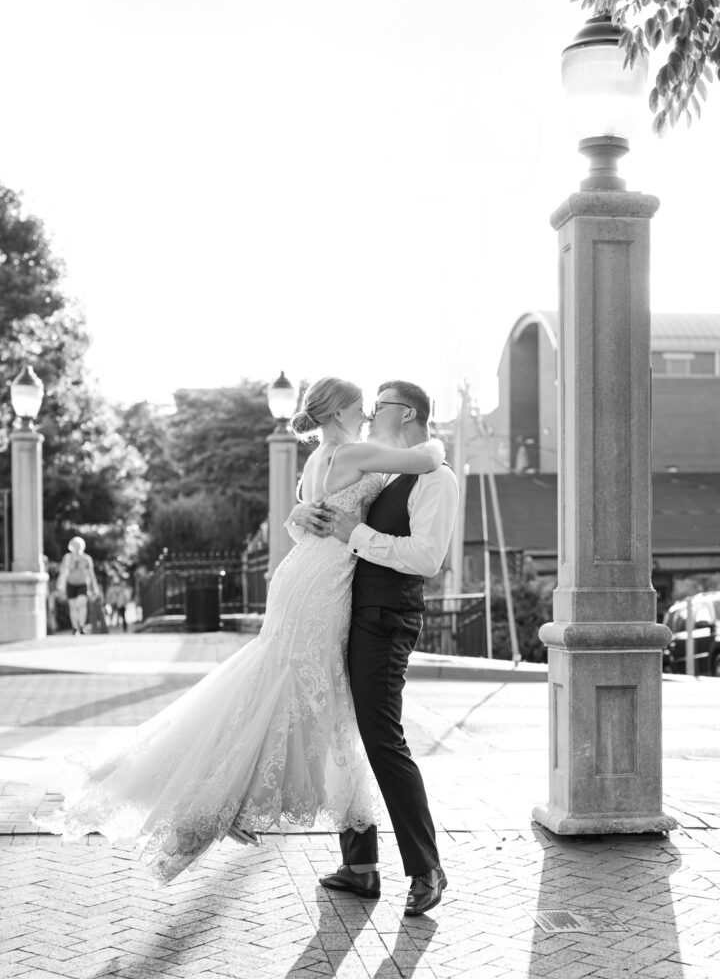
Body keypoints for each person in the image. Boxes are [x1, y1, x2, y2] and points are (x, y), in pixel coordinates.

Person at [36, 377, 445, 887]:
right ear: (339, 412)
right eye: (362, 407)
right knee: (299, 697)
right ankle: (225, 803)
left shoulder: (320, 458)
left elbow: (307, 521)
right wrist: (437, 437)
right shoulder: (356, 451)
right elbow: (427, 460)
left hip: (308, 575)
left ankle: (354, 860)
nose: (366, 415)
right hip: (323, 584)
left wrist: (299, 514)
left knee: (296, 694)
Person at [291, 380, 458, 917]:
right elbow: (324, 513)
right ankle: (360, 865)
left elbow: (427, 557)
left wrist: (355, 533)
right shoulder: (386, 469)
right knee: (342, 731)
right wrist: (304, 517)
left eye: (378, 404)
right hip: (343, 612)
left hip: (384, 620)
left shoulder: (436, 480)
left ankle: (427, 868)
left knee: (382, 737)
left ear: (404, 413)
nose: (369, 414)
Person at [56, 537, 99, 635]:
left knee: (81, 604)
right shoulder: (67, 558)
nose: (77, 548)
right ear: (71, 546)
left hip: (82, 584)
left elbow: (91, 574)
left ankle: (82, 625)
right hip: (71, 584)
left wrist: (95, 588)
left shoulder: (86, 559)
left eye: (78, 545)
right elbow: (62, 571)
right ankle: (75, 627)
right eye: (75, 545)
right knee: (73, 607)